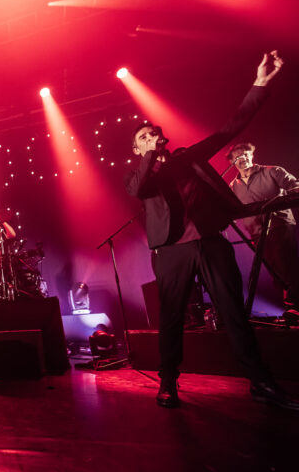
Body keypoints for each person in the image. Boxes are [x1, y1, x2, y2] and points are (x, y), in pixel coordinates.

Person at [125, 51, 298, 410]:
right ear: (138, 147)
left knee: (234, 312)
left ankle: (261, 382)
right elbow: (139, 188)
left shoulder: (188, 158)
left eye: (154, 132)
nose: (152, 136)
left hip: (210, 243)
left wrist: (259, 84)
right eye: (144, 136)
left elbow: (230, 128)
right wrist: (149, 155)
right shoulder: (139, 176)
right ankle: (168, 381)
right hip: (171, 251)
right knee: (172, 318)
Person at [227, 142, 299, 314]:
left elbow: (295, 186)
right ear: (231, 161)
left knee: (286, 265)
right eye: (237, 156)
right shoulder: (232, 186)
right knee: (274, 271)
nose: (242, 158)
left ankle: (295, 306)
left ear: (252, 155)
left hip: (279, 226)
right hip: (256, 233)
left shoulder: (273, 171)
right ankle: (292, 308)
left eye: (245, 154)